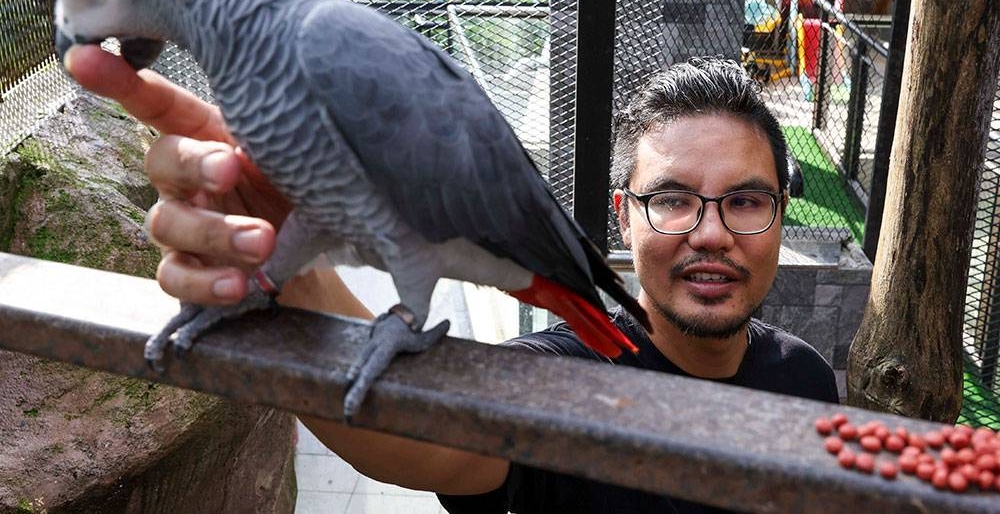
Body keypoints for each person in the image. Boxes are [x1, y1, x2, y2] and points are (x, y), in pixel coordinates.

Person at [66, 47, 837, 513]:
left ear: (781, 215)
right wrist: (282, 261)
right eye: (672, 199)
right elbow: (407, 437)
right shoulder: (556, 385)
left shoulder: (806, 379)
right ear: (623, 218)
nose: (710, 233)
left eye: (745, 201)